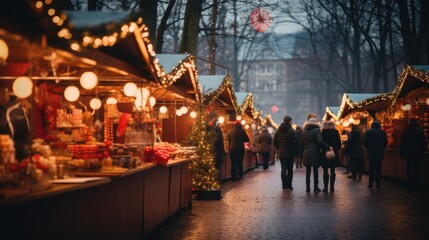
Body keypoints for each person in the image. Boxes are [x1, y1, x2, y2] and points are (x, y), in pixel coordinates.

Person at [301, 117, 328, 193]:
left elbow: (301, 143)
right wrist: (324, 147)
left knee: (308, 171)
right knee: (315, 171)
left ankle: (308, 188)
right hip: (315, 152)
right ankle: (316, 187)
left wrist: (305, 149)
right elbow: (319, 141)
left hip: (306, 152)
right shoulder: (317, 130)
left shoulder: (304, 130)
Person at [400, 118, 427, 191]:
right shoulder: (420, 131)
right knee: (416, 168)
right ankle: (416, 183)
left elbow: (403, 142)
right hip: (417, 152)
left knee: (409, 168)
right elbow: (423, 142)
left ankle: (409, 183)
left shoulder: (406, 131)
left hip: (409, 152)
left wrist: (402, 152)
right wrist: (424, 150)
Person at [273, 116, 298, 190]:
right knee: (290, 169)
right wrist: (293, 149)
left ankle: (284, 185)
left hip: (281, 153)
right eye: (291, 121)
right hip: (290, 154)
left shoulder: (278, 130)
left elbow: (274, 142)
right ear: (289, 121)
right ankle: (289, 185)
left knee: (283, 169)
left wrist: (279, 148)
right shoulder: (291, 130)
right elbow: (296, 141)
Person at [364, 120, 388, 190]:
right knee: (378, 168)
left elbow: (365, 142)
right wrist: (381, 148)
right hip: (379, 152)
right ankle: (378, 184)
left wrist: (368, 148)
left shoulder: (368, 132)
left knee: (371, 168)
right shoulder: (382, 132)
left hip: (371, 152)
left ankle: (370, 183)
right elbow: (385, 142)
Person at [321, 120, 341, 192]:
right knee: (333, 170)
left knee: (325, 170)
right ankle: (332, 187)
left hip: (325, 151)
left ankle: (325, 187)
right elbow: (339, 143)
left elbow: (321, 142)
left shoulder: (323, 132)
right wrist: (335, 149)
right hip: (334, 151)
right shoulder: (335, 132)